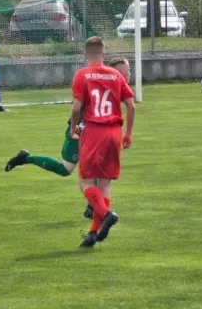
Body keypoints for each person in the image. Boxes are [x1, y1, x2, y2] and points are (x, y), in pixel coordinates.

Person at [4, 57, 132, 220]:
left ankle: (93, 206)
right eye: (126, 71)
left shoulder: (113, 84)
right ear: (117, 72)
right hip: (81, 132)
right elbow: (79, 106)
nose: (129, 74)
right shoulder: (97, 83)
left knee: (100, 168)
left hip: (95, 135)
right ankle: (25, 158)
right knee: (66, 169)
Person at [70, 37, 135, 248]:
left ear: (85, 54)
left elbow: (76, 108)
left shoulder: (82, 74)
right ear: (104, 54)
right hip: (114, 132)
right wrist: (128, 134)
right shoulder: (116, 74)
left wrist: (73, 130)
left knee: (85, 182)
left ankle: (107, 214)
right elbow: (131, 106)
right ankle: (92, 233)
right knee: (105, 183)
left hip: (94, 131)